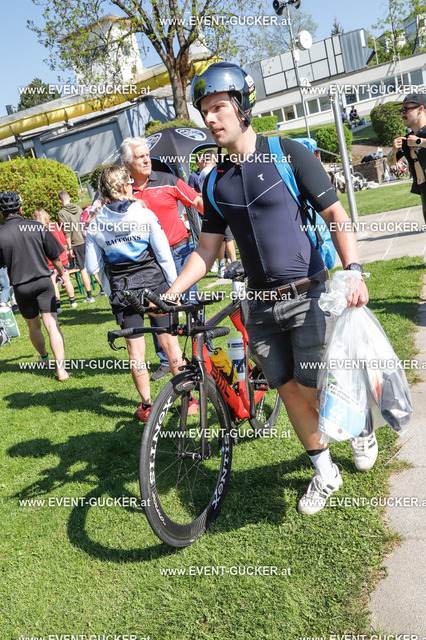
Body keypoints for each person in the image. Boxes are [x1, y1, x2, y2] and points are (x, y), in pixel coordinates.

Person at [165, 61, 375, 515]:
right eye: (204, 111)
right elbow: (206, 248)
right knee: (287, 389)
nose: (210, 119)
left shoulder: (287, 153)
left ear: (243, 107)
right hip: (259, 306)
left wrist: (353, 268)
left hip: (308, 295)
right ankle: (325, 471)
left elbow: (336, 215)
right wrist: (173, 290)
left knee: (315, 388)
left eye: (218, 108)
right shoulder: (215, 181)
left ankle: (360, 426)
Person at [84, 165, 196, 422]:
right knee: (170, 343)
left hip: (123, 292)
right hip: (156, 287)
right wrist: (174, 290)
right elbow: (164, 257)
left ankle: (146, 406)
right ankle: (188, 401)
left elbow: (92, 267)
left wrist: (109, 287)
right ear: (127, 187)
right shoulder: (145, 214)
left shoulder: (96, 223)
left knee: (136, 353)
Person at [119, 136, 204, 381]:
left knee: (190, 304)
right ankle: (167, 360)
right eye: (140, 157)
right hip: (148, 261)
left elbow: (197, 201)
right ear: (127, 163)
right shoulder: (123, 191)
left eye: (148, 155)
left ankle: (201, 350)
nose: (147, 160)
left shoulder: (168, 180)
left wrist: (217, 221)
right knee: (157, 310)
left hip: (179, 253)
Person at [0, 191, 70, 380]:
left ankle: (45, 358)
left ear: (1, 212)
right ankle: (61, 370)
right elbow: (55, 257)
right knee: (52, 325)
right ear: (21, 209)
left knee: (34, 327)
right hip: (43, 281)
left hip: (21, 287)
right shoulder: (36, 226)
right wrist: (62, 274)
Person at [387, 93, 426, 225]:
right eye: (401, 110)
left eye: (406, 110)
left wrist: (419, 142)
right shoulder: (407, 139)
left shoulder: (416, 139)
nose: (402, 114)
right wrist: (394, 151)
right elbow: (390, 162)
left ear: (420, 109)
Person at [33, 208, 77, 312]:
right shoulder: (56, 226)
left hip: (49, 260)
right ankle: (73, 301)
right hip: (62, 258)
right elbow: (63, 240)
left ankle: (58, 306)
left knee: (54, 283)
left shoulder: (37, 230)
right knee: (67, 279)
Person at [57, 190, 95, 303]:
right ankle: (102, 289)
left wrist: (69, 248)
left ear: (60, 201)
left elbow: (67, 231)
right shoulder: (78, 208)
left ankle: (89, 296)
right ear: (69, 198)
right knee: (91, 266)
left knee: (82, 269)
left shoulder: (62, 213)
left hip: (75, 243)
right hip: (85, 239)